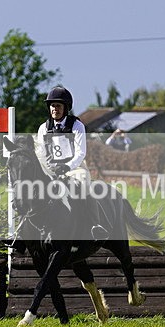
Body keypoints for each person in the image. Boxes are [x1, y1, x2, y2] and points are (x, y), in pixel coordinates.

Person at [34, 86, 108, 240]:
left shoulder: (77, 126)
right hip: (51, 169)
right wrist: (50, 169)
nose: (55, 109)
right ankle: (24, 231)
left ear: (66, 108)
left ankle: (95, 224)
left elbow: (81, 153)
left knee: (83, 185)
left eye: (58, 106)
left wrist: (67, 167)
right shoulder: (43, 128)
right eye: (52, 106)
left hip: (75, 168)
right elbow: (42, 152)